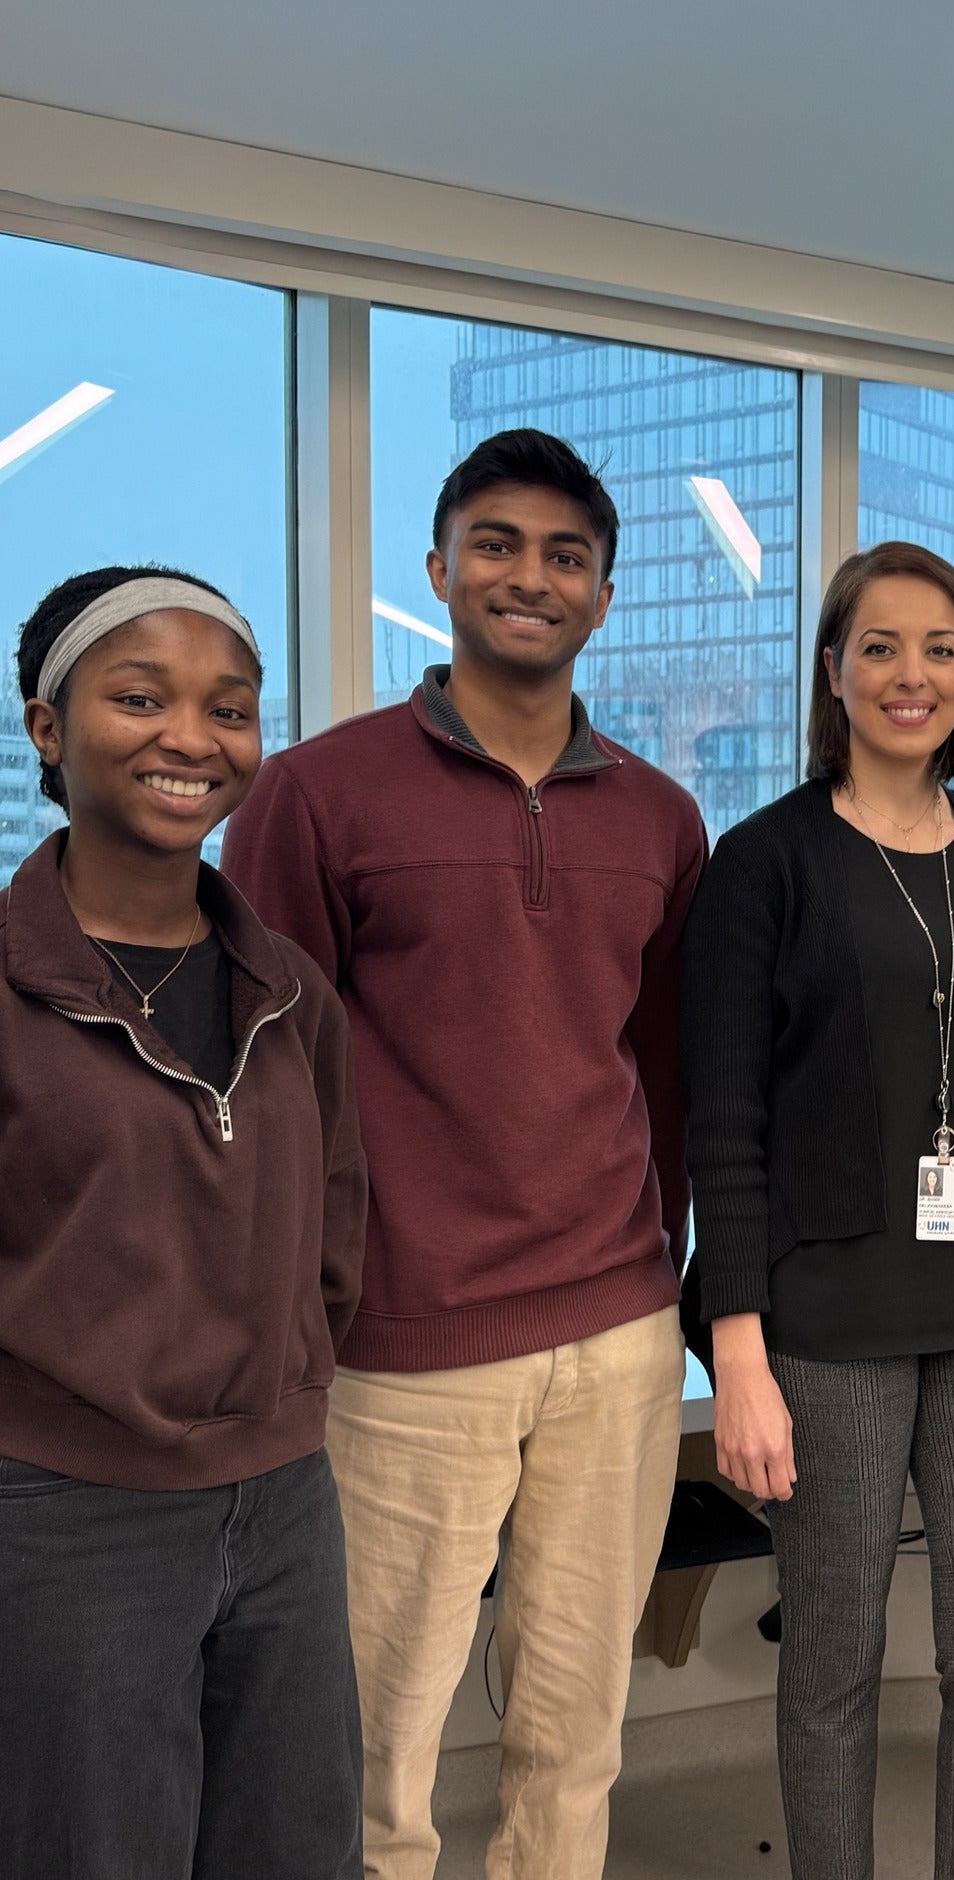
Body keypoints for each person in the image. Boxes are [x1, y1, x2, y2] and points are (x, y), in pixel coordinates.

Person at [222, 429, 706, 1880]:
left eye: (566, 556)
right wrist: (316, 1297)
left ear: (605, 596)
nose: (529, 577)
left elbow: (666, 1074)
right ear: (437, 572)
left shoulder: (664, 819)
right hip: (406, 1344)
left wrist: (659, 1271)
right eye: (496, 545)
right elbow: (267, 1075)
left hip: (617, 1332)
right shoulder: (322, 793)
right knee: (377, 1728)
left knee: (578, 1723)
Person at [683, 538, 954, 1880]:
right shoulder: (765, 865)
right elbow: (725, 1122)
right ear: (833, 672)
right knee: (834, 1663)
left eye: (940, 648)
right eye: (880, 646)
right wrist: (735, 1347)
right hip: (825, 1328)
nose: (910, 674)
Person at [0, 566, 367, 1876]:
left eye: (230, 708)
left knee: (294, 1846)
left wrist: (288, 1392)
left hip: (282, 1498)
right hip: (66, 1509)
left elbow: (335, 1222)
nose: (191, 739)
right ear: (47, 726)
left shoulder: (288, 989)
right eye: (139, 698)